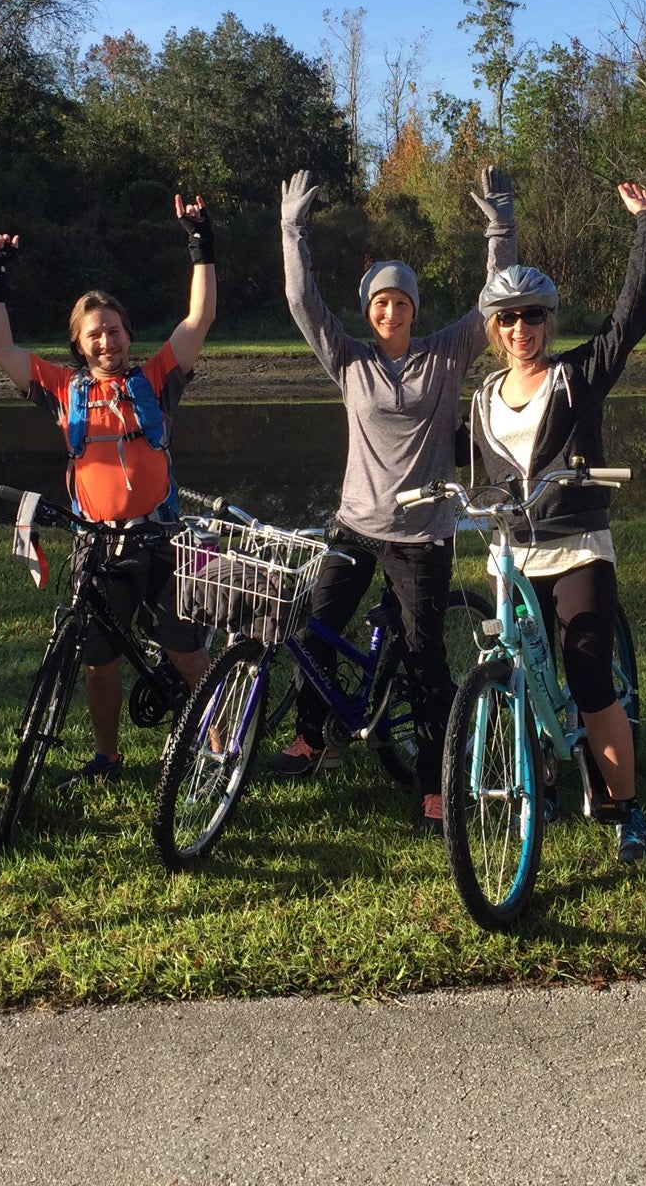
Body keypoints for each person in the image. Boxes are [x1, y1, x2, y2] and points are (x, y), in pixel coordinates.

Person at [276, 166, 517, 834]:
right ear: (369, 310)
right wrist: (292, 227)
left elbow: (496, 300)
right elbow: (302, 303)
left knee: (423, 660)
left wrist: (500, 223)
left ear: (414, 308)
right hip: (354, 527)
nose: (390, 310)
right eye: (380, 302)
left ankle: (435, 789)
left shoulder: (445, 356)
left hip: (421, 537)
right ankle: (311, 736)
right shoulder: (348, 360)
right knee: (313, 631)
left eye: (400, 301)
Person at [0, 195, 218, 786]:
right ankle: (108, 758)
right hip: (99, 545)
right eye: (94, 335)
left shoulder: (158, 377)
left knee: (188, 654)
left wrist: (200, 244)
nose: (105, 341)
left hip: (162, 538)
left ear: (128, 334)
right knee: (98, 661)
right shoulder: (64, 389)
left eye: (113, 330)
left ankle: (219, 748)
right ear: (79, 345)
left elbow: (199, 319)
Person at [464, 180, 646, 862]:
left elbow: (630, 320)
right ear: (496, 329)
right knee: (514, 665)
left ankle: (628, 810)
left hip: (576, 548)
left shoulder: (577, 377)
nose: (522, 330)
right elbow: (483, 477)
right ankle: (537, 776)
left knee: (586, 677)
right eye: (509, 319)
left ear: (549, 321)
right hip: (510, 556)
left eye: (534, 317)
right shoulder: (484, 395)